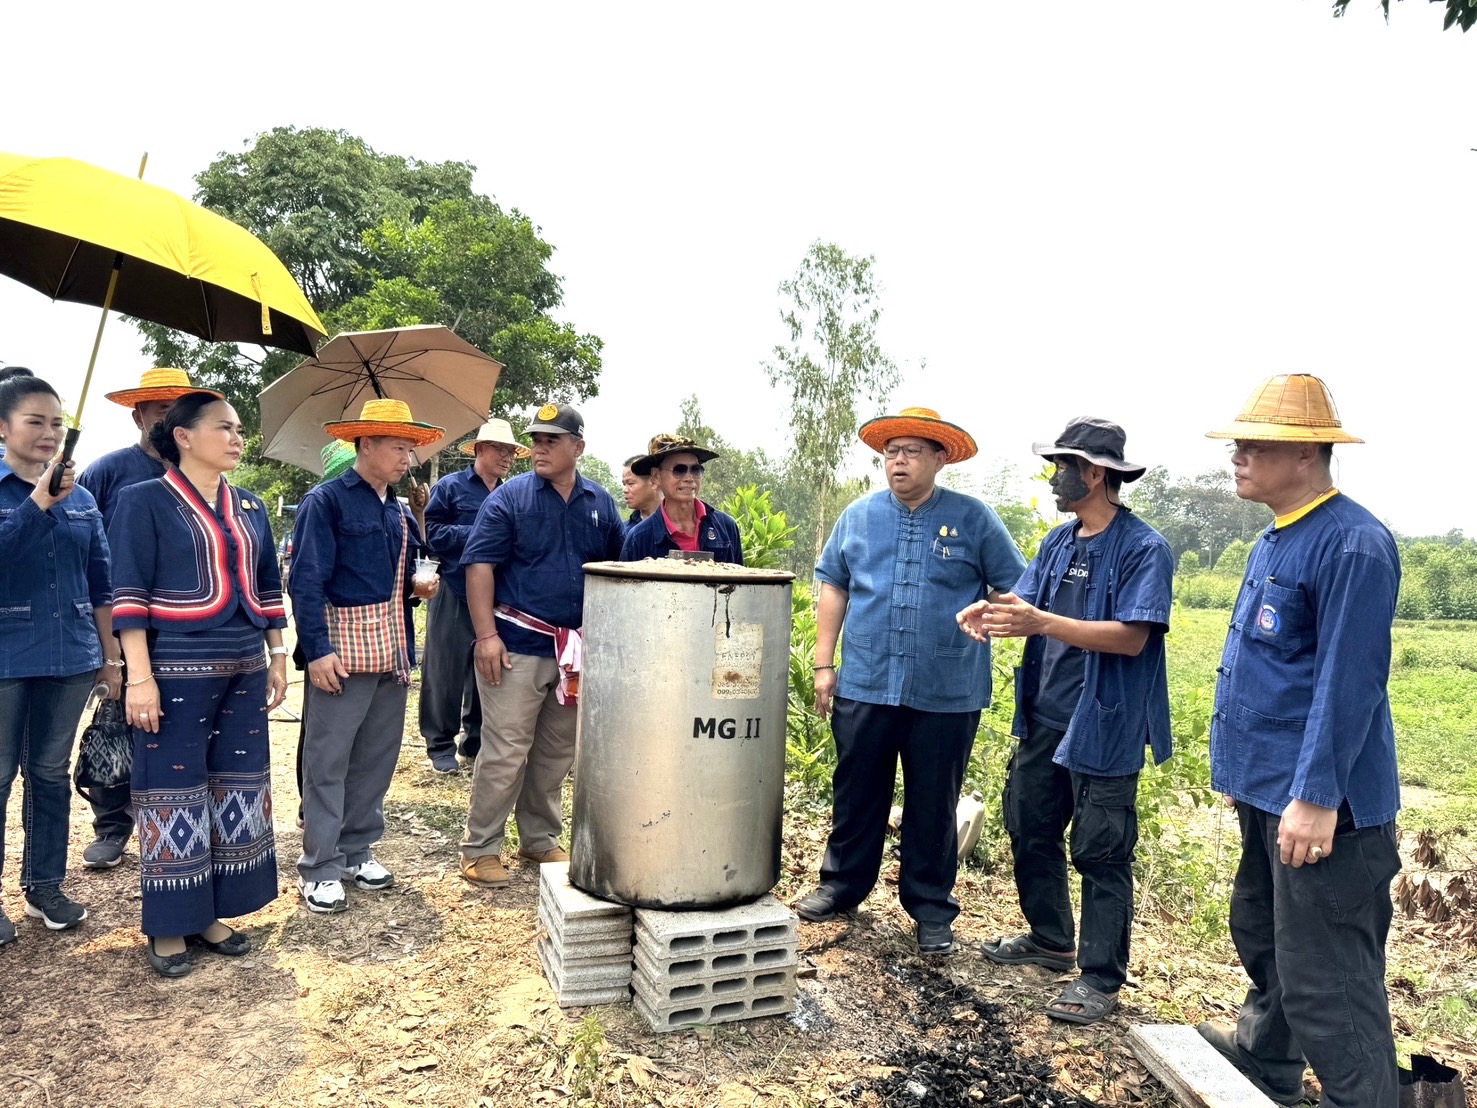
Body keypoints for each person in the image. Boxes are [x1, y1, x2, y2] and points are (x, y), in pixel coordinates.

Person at [1195, 375, 1402, 1107]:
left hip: (1324, 811)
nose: (1238, 456)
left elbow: (1349, 684)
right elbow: (1270, 671)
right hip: (1267, 791)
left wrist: (1315, 797)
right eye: (1238, 443)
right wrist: (1244, 774)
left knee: (1329, 985)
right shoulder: (1277, 536)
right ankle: (1265, 1067)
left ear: (1308, 455)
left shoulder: (1350, 545)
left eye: (1257, 445)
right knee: (1264, 936)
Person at [959, 417, 1173, 1026]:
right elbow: (1024, 604)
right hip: (1045, 715)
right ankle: (1051, 939)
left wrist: (1042, 623)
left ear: (1097, 473)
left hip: (1103, 723)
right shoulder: (1060, 542)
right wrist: (989, 609)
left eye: (1063, 466)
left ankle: (1101, 978)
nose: (1054, 478)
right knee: (1029, 823)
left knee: (1102, 849)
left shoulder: (1142, 549)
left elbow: (1132, 639)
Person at [795, 406, 1025, 954]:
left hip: (946, 690)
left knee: (933, 801)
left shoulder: (974, 519)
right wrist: (825, 666)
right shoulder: (858, 516)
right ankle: (842, 887)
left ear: (940, 459)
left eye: (912, 452)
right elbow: (833, 586)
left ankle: (930, 909)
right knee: (857, 790)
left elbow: (1012, 589)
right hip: (867, 681)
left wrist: (992, 618)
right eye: (890, 452)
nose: (898, 461)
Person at [109, 393, 289, 977]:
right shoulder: (143, 501)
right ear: (182, 435)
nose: (237, 438)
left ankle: (211, 911)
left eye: (239, 429)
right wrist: (139, 679)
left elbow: (267, 587)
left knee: (233, 784)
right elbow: (128, 597)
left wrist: (278, 654)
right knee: (170, 790)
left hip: (243, 665)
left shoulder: (251, 505)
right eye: (223, 428)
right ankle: (168, 923)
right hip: (174, 669)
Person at [458, 403, 624, 888]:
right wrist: (486, 636)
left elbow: (615, 570)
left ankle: (537, 838)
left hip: (573, 651)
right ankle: (480, 847)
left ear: (578, 447)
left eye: (552, 440)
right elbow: (479, 566)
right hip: (516, 645)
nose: (540, 448)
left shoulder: (600, 502)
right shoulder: (510, 498)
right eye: (536, 439)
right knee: (506, 749)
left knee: (555, 752)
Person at [290, 399, 442, 914]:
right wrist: (317, 650)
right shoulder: (326, 501)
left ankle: (357, 850)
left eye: (410, 447)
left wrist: (418, 586)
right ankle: (320, 865)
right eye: (398, 446)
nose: (407, 456)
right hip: (343, 648)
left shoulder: (396, 509)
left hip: (392, 646)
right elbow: (306, 581)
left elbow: (404, 574)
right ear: (367, 444)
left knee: (376, 756)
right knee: (329, 758)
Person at [76, 367, 225, 871]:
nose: (167, 418)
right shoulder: (110, 471)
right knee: (117, 718)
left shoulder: (209, 479)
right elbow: (86, 547)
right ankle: (113, 825)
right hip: (122, 616)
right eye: (159, 409)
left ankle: (177, 822)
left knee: (175, 728)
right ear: (139, 415)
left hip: (185, 626)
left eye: (176, 409)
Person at [0, 367, 119, 944]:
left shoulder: (85, 498)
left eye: (58, 422)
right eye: (35, 421)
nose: (49, 432)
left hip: (70, 654)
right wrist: (37, 503)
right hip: (5, 656)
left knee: (47, 773)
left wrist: (111, 656)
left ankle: (44, 884)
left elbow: (101, 581)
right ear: (3, 427)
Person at [420, 418, 529, 771]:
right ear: (480, 449)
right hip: (454, 585)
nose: (507, 457)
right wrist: (483, 533)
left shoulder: (514, 493)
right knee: (445, 668)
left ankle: (476, 739)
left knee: (490, 668)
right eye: (500, 449)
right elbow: (432, 534)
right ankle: (439, 743)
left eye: (511, 451)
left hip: (499, 593)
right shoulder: (450, 488)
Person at [620, 434, 743, 563]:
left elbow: (739, 580)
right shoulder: (639, 538)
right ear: (656, 477)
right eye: (679, 470)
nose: (689, 478)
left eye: (696, 470)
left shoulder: (726, 527)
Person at [621, 454, 661, 524]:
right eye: (624, 484)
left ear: (654, 481)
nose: (625, 490)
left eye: (630, 483)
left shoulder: (680, 524)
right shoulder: (625, 531)